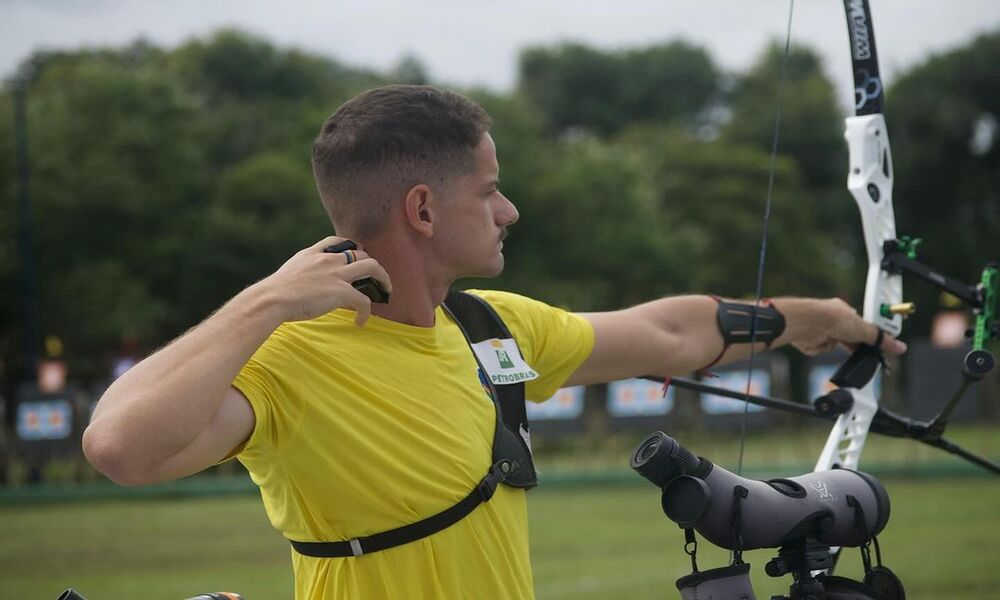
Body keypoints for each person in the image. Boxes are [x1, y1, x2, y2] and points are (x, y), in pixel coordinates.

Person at [83, 85, 906, 599]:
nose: (508, 209)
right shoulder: (292, 360)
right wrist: (262, 302)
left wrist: (819, 319)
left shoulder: (489, 324)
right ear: (424, 210)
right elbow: (120, 448)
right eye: (489, 189)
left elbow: (666, 331)